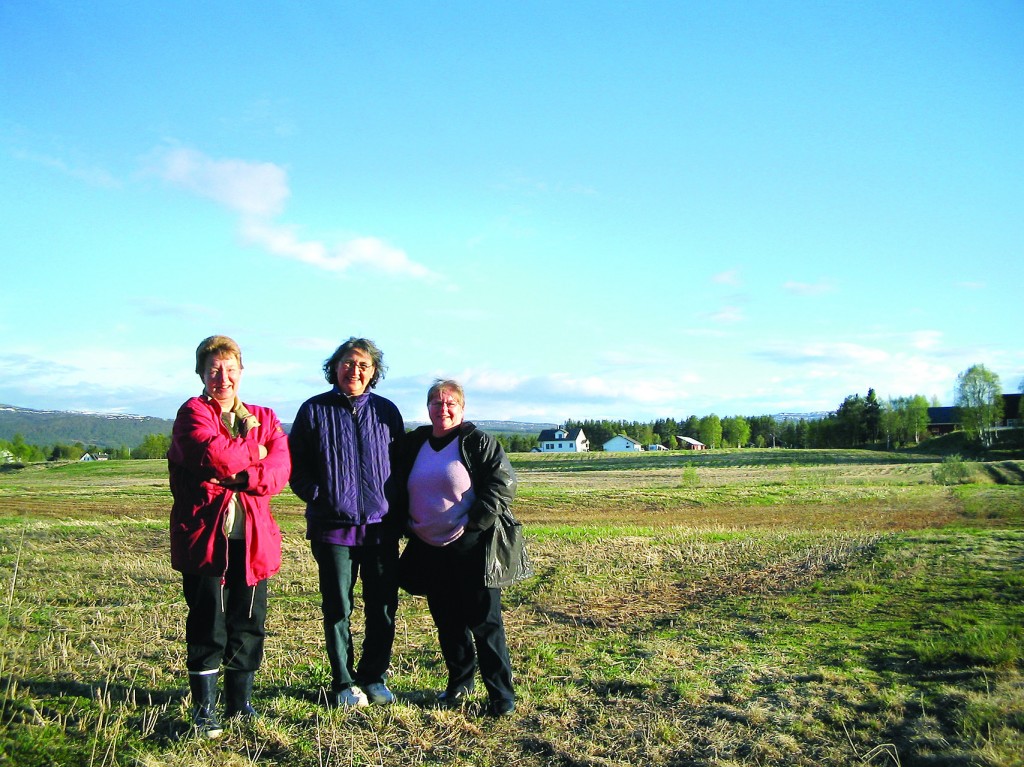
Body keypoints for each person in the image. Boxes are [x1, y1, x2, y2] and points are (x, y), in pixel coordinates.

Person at [168, 335, 291, 738]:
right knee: (208, 623)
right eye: (214, 370)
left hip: (254, 540)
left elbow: (279, 472)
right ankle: (205, 708)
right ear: (201, 373)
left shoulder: (265, 416)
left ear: (241, 372)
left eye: (230, 369)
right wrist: (253, 453)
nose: (223, 377)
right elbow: (212, 455)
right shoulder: (193, 413)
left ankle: (241, 703)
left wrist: (243, 470)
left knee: (249, 621)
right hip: (205, 538)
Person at [288, 337, 405, 708]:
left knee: (382, 606)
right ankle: (342, 682)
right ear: (334, 367)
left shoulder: (387, 411)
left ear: (374, 373)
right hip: (332, 529)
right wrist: (320, 495)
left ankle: (373, 677)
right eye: (348, 363)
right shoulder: (313, 411)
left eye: (364, 365)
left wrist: (397, 508)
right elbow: (296, 466)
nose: (355, 371)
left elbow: (400, 466)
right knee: (338, 606)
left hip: (380, 527)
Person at [392, 379, 518, 717]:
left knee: (485, 622)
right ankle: (460, 683)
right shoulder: (415, 443)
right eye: (436, 403)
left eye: (450, 404)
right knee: (447, 622)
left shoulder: (477, 442)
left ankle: (501, 694)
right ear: (428, 408)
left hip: (472, 546)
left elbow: (502, 485)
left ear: (461, 409)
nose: (442, 409)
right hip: (429, 547)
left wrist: (474, 523)